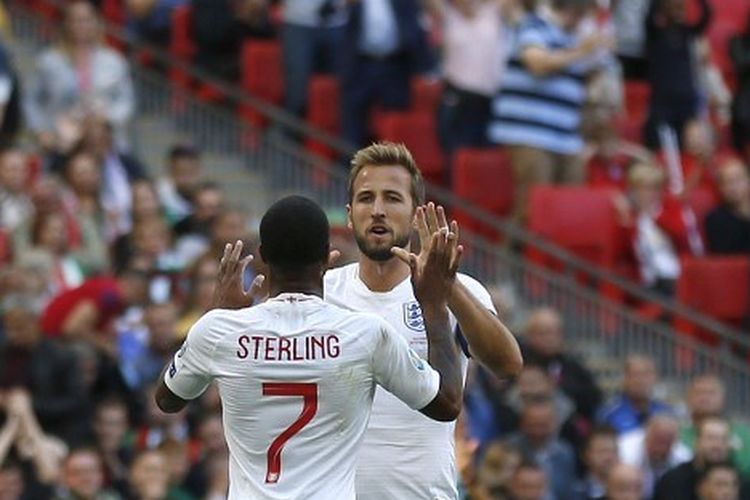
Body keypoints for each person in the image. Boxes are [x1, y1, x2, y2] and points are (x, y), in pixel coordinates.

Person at [155, 195, 465, 498]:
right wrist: (435, 307)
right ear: (327, 255)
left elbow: (168, 399)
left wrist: (219, 315)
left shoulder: (219, 330)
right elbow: (447, 403)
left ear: (263, 255)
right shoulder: (364, 334)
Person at [323, 142, 522, 498]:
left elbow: (507, 364)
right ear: (350, 214)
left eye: (393, 198)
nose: (378, 210)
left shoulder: (460, 289)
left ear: (416, 214)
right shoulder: (322, 292)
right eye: (367, 198)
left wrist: (447, 287)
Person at [488, 0, 611, 222]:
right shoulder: (534, 25)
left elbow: (590, 87)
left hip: (566, 138)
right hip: (528, 134)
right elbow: (537, 63)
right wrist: (581, 51)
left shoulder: (577, 39)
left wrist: (597, 63)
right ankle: (509, 257)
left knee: (568, 210)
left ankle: (551, 258)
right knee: (532, 209)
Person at [24, 1, 135, 152]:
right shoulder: (48, 62)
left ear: (97, 22)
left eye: (86, 20)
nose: (81, 26)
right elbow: (31, 101)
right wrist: (40, 131)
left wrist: (107, 118)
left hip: (105, 145)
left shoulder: (114, 61)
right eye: (75, 20)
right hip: (62, 144)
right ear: (65, 24)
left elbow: (126, 101)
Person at [680, 375, 750, 479]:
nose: (704, 398)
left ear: (723, 398)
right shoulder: (677, 434)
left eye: (711, 393)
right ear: (688, 398)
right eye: (698, 393)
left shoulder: (744, 434)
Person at [653, 416, 732, 500]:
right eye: (711, 438)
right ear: (696, 441)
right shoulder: (674, 480)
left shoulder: (739, 481)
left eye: (723, 439)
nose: (717, 445)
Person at [619, 413, 692, 499]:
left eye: (666, 443)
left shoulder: (683, 456)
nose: (660, 448)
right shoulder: (624, 450)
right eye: (657, 440)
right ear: (646, 435)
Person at [597, 355, 673, 434]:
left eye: (646, 375)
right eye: (635, 375)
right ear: (625, 379)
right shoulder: (609, 414)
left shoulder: (666, 413)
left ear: (655, 379)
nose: (640, 381)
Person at [705, 159, 750, 254]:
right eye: (728, 182)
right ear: (720, 188)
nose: (734, 186)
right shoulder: (715, 220)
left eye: (738, 179)